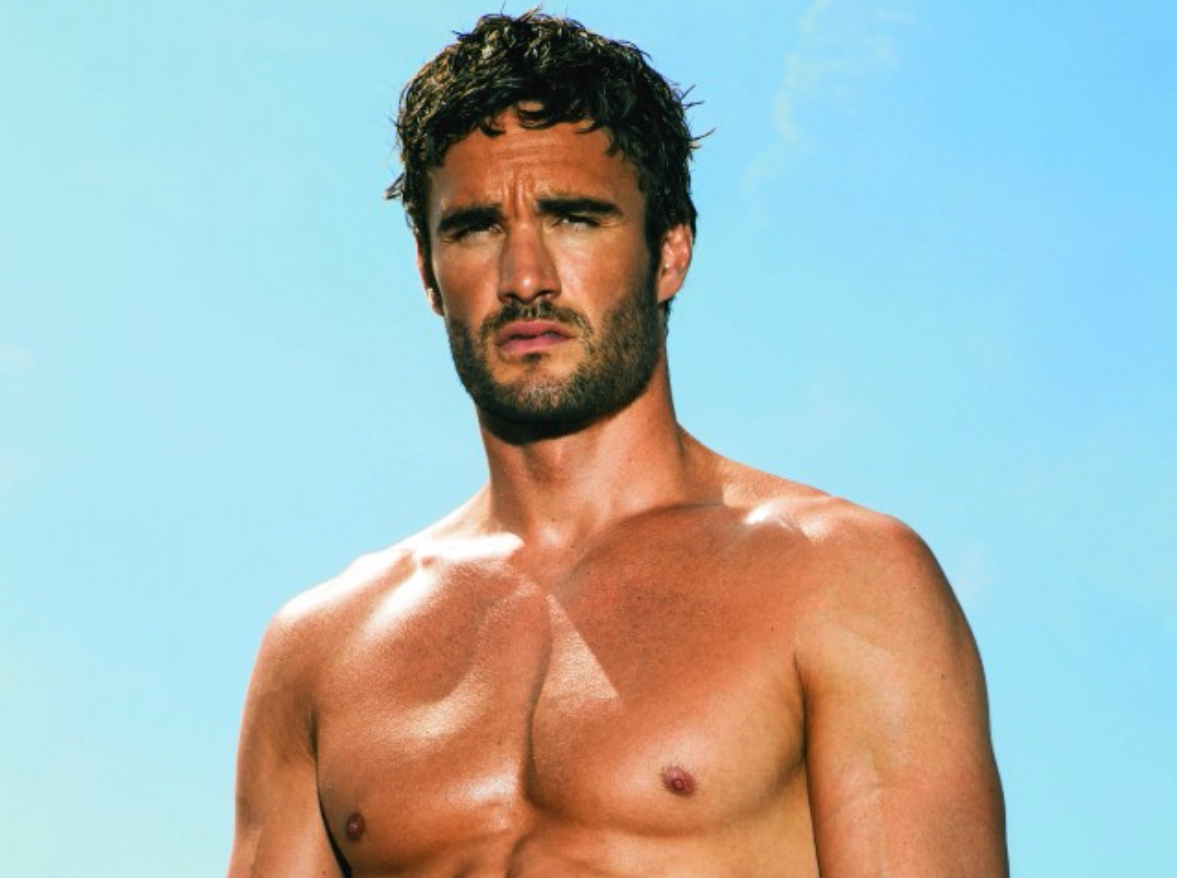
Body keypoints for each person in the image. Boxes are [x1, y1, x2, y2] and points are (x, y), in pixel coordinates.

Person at [227, 11, 1007, 878]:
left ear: (669, 253)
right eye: (476, 227)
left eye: (574, 218)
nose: (525, 277)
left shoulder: (845, 581)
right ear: (428, 273)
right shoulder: (321, 649)